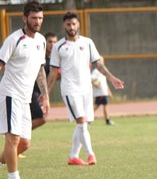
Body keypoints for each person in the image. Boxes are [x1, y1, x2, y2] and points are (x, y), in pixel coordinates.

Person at [0, 1, 49, 179]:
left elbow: (40, 69)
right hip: (9, 94)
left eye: (40, 18)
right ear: (24, 18)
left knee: (24, 144)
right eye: (34, 18)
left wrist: (45, 93)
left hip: (25, 98)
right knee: (12, 140)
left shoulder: (41, 41)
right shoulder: (14, 39)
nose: (37, 22)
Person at [47, 12, 124, 166]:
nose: (71, 27)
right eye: (68, 24)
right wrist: (46, 94)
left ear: (78, 25)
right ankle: (91, 155)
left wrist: (111, 78)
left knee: (83, 124)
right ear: (64, 26)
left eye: (74, 24)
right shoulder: (58, 46)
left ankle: (73, 156)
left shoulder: (88, 42)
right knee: (82, 123)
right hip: (70, 89)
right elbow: (53, 73)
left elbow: (98, 64)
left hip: (86, 90)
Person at [30, 32, 58, 131]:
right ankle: (16, 135)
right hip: (31, 90)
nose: (53, 45)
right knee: (41, 118)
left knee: (32, 118)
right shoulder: (39, 55)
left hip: (40, 92)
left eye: (55, 42)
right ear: (45, 42)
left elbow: (54, 76)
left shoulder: (54, 59)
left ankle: (16, 137)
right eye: (50, 42)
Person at [91, 57, 115, 125]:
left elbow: (105, 83)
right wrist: (95, 84)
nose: (101, 63)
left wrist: (109, 92)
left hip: (104, 92)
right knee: (98, 105)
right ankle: (88, 119)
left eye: (102, 61)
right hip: (100, 93)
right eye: (100, 61)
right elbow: (91, 79)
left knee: (101, 105)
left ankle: (107, 120)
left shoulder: (102, 72)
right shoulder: (95, 71)